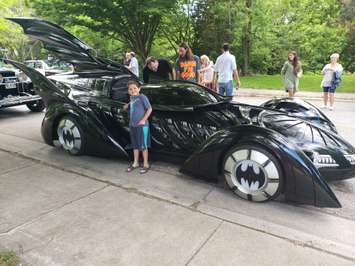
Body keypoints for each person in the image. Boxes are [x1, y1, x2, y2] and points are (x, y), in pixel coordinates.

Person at [123, 80, 152, 174]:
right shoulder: (132, 99)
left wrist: (143, 120)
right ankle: (135, 163)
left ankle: (146, 164)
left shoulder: (142, 97)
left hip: (143, 126)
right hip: (133, 125)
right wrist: (126, 105)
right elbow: (132, 106)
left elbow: (149, 109)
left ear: (139, 89)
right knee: (135, 145)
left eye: (135, 88)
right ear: (128, 91)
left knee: (143, 146)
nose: (133, 90)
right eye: (130, 89)